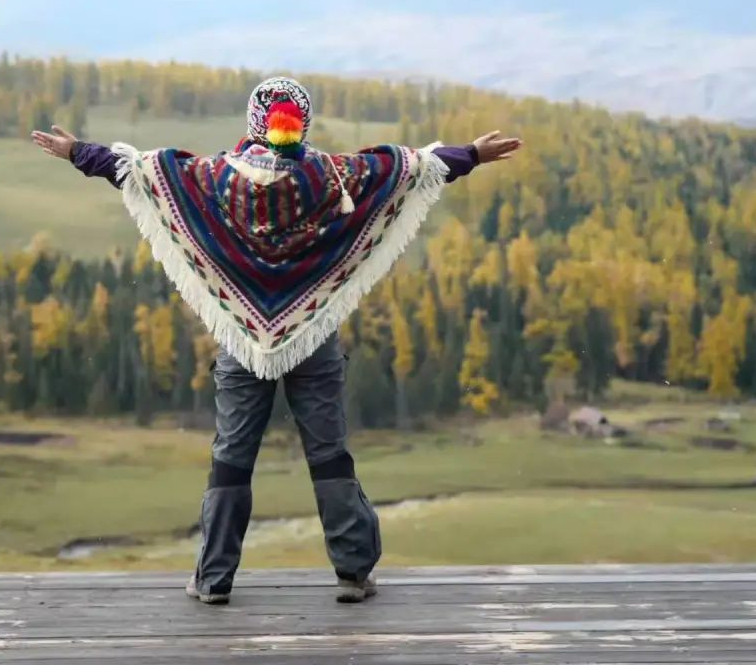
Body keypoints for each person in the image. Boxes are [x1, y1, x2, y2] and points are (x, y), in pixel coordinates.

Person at [32, 76, 521, 605]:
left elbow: (144, 170)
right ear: (301, 123)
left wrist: (77, 152)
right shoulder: (332, 176)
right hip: (314, 334)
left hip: (241, 339)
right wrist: (471, 153)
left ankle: (214, 580)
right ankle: (353, 574)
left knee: (232, 456)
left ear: (253, 121)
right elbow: (408, 168)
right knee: (329, 452)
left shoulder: (216, 175)